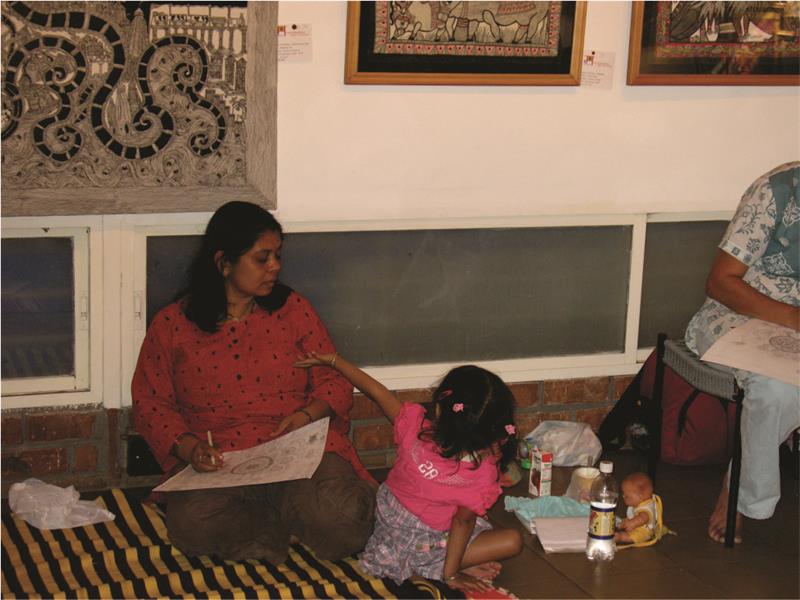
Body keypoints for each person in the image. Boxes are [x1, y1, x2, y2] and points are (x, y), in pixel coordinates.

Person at [131, 201, 376, 564]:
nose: (275, 266)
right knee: (193, 522)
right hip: (221, 462)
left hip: (297, 450)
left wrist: (306, 416)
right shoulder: (173, 325)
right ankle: (280, 524)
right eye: (262, 258)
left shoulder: (293, 310)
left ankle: (279, 524)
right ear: (223, 263)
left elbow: (333, 379)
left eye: (277, 256)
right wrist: (191, 448)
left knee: (345, 520)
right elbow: (151, 403)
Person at [294, 352, 524, 594]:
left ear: (439, 409)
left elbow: (377, 392)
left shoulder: (415, 427)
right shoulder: (482, 473)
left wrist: (334, 360)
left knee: (470, 527)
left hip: (390, 529)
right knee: (513, 541)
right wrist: (452, 575)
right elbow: (462, 522)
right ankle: (445, 566)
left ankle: (437, 563)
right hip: (427, 542)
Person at [685, 160, 800, 544]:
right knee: (777, 389)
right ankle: (738, 493)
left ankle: (741, 477)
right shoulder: (779, 190)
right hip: (739, 316)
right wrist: (793, 318)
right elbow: (721, 283)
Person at [615, 472, 663, 545]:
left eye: (627, 496)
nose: (623, 496)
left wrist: (632, 523)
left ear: (640, 497)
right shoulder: (643, 502)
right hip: (637, 527)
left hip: (644, 532)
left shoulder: (645, 509)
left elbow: (643, 518)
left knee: (630, 537)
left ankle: (620, 537)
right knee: (623, 523)